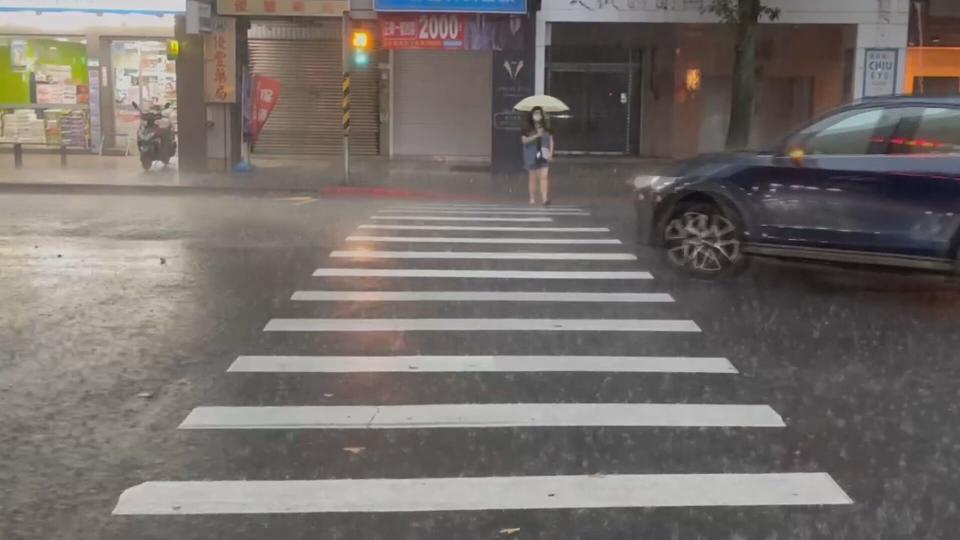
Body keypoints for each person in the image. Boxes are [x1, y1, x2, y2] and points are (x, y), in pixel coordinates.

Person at [521, 106, 554, 206]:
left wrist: (551, 153)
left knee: (544, 177)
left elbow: (551, 140)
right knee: (533, 177)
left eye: (539, 113)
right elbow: (523, 140)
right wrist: (536, 135)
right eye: (535, 113)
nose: (537, 115)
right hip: (532, 155)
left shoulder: (547, 128)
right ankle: (532, 197)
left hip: (544, 154)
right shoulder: (527, 128)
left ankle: (544, 199)